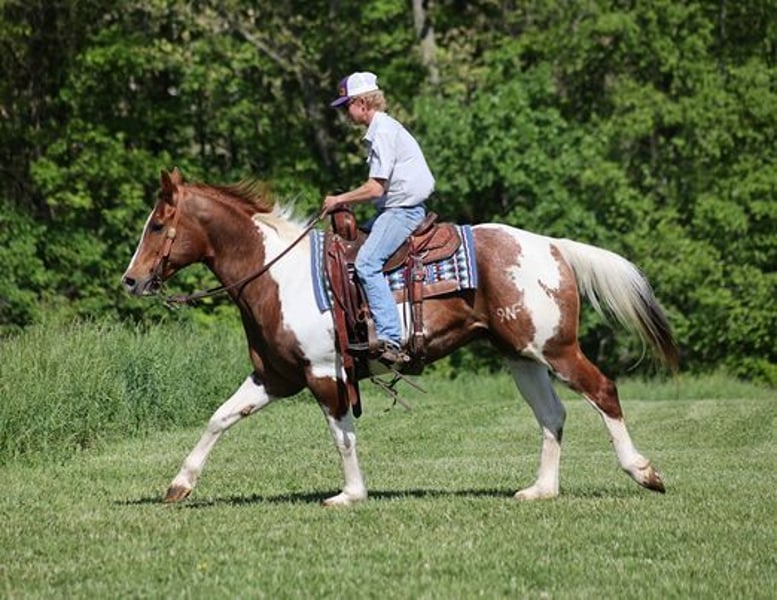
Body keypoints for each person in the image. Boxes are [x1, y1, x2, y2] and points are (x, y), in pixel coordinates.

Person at [323, 71, 435, 366]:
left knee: (366, 263)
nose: (345, 113)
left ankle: (390, 338)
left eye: (347, 106)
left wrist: (339, 200)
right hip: (394, 209)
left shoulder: (383, 131)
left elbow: (375, 188)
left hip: (402, 211)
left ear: (362, 103)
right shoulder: (382, 129)